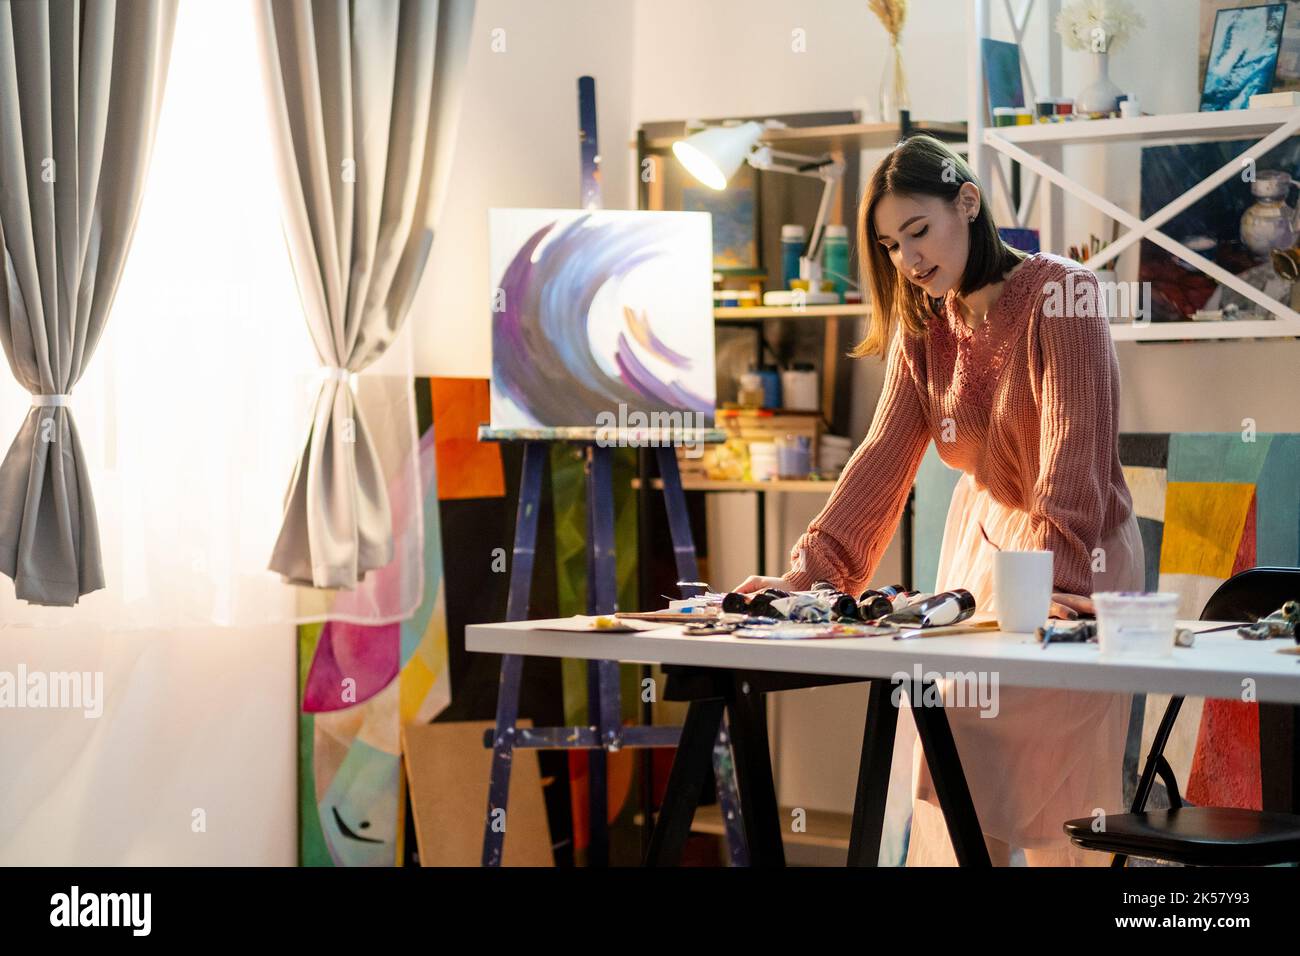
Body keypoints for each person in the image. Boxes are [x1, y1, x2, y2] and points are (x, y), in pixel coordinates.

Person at [734, 135, 1143, 866]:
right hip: (983, 549)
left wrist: (1053, 586)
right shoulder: (925, 327)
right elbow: (881, 462)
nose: (908, 260)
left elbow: (1073, 458)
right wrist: (807, 583)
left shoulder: (1065, 294)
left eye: (917, 231)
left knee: (1051, 789)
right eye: (891, 245)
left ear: (968, 202)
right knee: (948, 736)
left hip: (1074, 553)